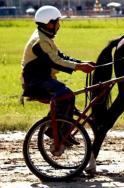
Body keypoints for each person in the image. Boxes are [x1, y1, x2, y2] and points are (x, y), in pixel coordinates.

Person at [21, 5, 95, 144]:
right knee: (66, 94)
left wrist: (82, 62)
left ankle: (62, 131)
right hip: (35, 81)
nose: (59, 25)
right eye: (57, 22)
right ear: (49, 23)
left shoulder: (44, 37)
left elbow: (61, 56)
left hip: (42, 78)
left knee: (68, 98)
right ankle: (55, 131)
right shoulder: (40, 41)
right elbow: (55, 62)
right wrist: (79, 67)